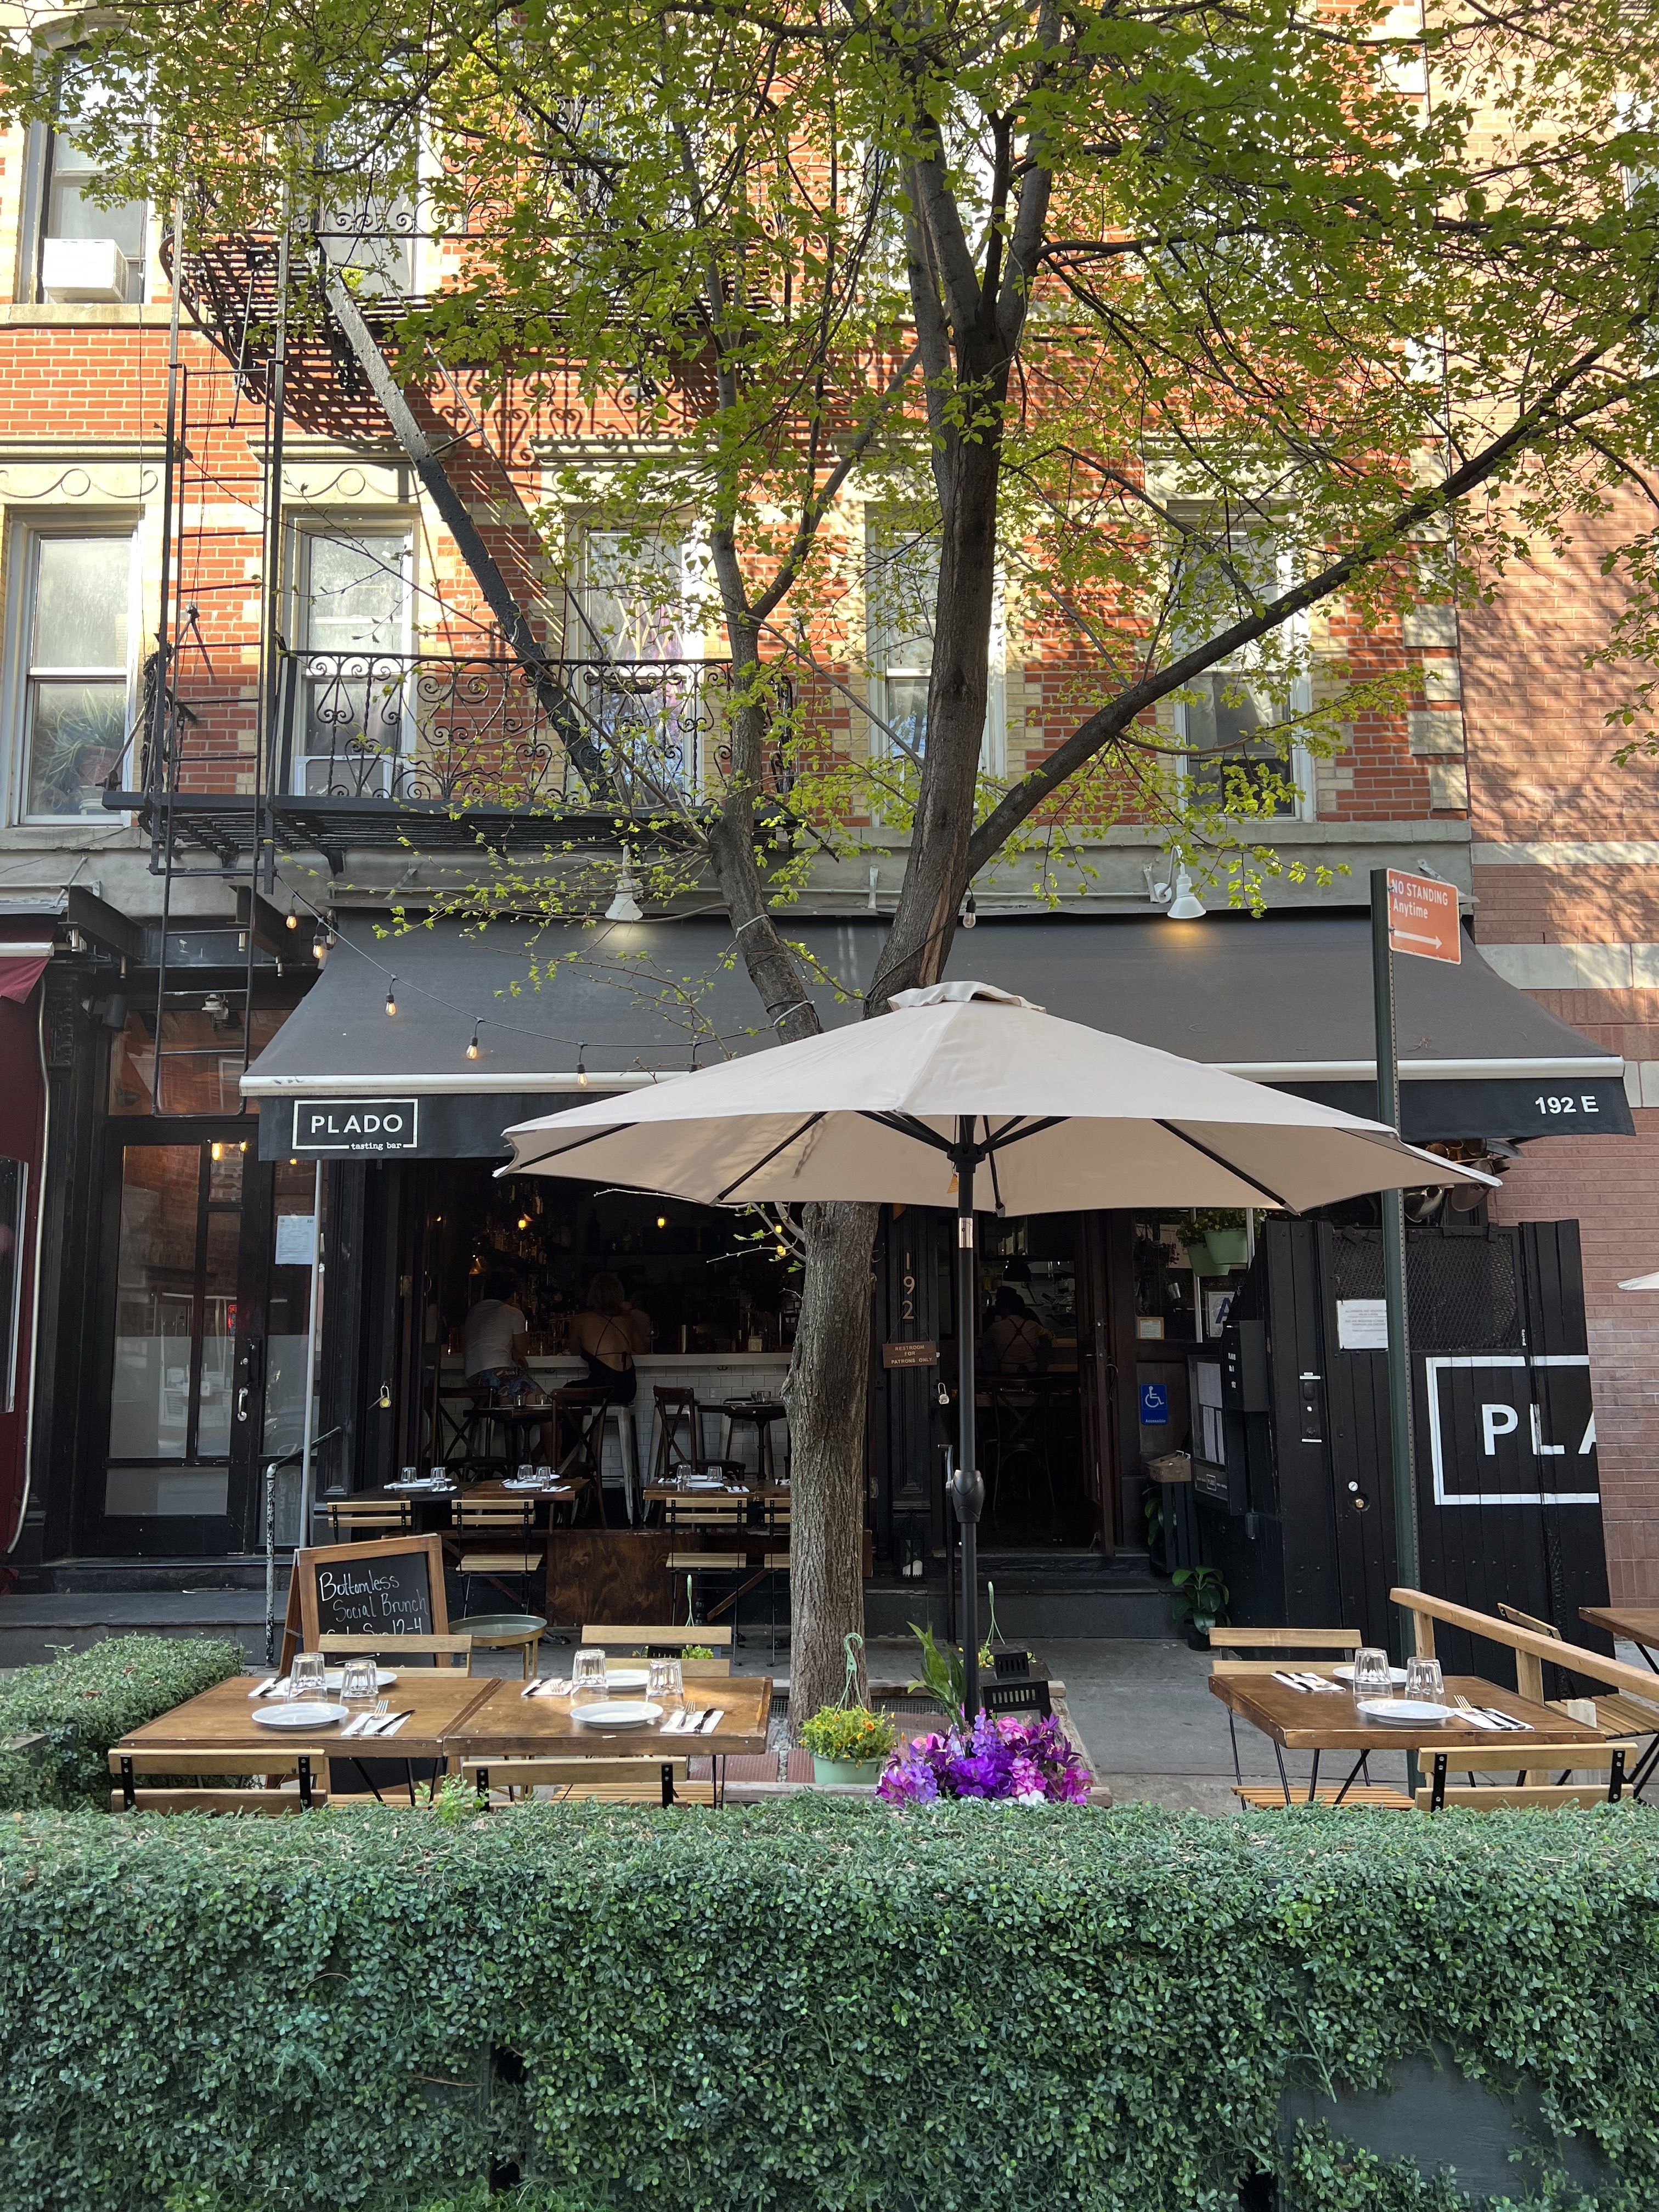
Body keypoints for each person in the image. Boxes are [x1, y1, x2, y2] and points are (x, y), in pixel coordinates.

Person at [570, 1272, 652, 1403]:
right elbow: (642, 1350)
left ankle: (588, 1418)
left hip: (601, 1388)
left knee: (566, 1391)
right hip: (628, 1388)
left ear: (592, 1294)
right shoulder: (627, 1319)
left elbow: (574, 1352)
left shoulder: (580, 1320)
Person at [463, 1268, 532, 1391]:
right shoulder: (514, 1313)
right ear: (510, 1294)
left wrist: (512, 1351)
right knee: (539, 1397)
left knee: (506, 1396)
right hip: (499, 1374)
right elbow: (522, 1350)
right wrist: (514, 1351)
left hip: (474, 1381)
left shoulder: (473, 1312)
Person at [980, 1284, 1051, 1375]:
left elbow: (984, 1344)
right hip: (1032, 1372)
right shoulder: (1033, 1325)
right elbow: (1049, 1336)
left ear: (1001, 1308)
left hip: (1006, 1373)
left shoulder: (996, 1328)